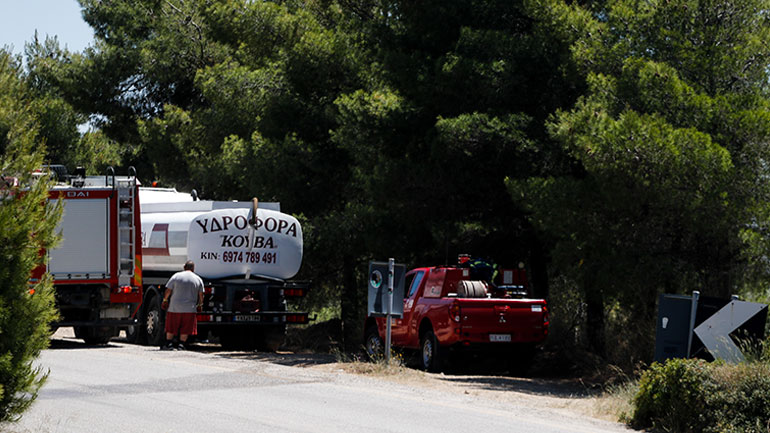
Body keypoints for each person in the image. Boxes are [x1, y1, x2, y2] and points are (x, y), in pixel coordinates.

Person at [161, 260, 204, 350]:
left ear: (184, 267)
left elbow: (168, 290)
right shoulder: (198, 279)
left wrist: (165, 300)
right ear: (193, 268)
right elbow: (201, 295)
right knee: (186, 327)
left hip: (174, 307)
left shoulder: (176, 276)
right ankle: (181, 344)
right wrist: (200, 305)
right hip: (190, 309)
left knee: (171, 326)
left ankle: (169, 343)